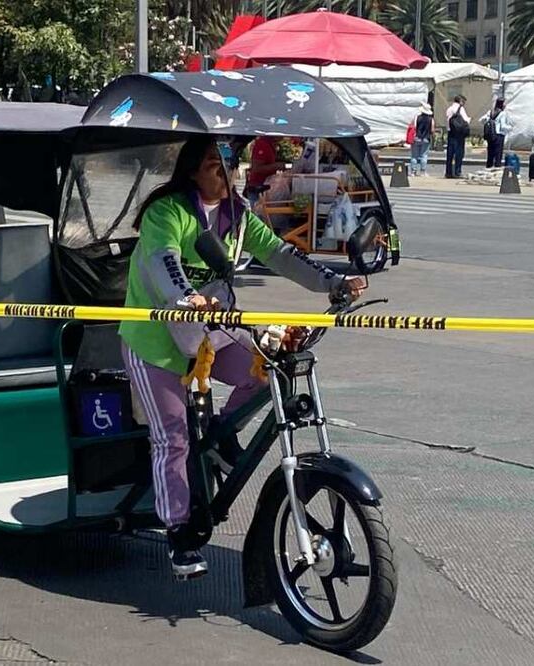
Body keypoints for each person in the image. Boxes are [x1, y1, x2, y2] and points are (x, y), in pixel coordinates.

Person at [118, 137, 366, 579]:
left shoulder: (237, 214)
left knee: (268, 372)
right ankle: (179, 531)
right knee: (172, 437)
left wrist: (334, 282)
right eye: (214, 164)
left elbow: (280, 254)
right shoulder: (168, 212)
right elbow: (163, 261)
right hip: (155, 339)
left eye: (228, 164)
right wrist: (186, 295)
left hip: (213, 331)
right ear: (192, 171)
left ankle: (219, 433)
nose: (226, 173)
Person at [444, 95, 470, 178]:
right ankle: (457, 171)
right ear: (460, 101)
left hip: (450, 132)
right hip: (459, 134)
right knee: (459, 153)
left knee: (450, 154)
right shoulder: (460, 109)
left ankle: (448, 172)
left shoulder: (449, 109)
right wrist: (469, 120)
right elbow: (465, 120)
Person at [480, 99, 511, 169]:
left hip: (490, 134)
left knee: (490, 153)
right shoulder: (502, 113)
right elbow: (503, 126)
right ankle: (497, 167)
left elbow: (481, 120)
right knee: (498, 154)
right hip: (499, 135)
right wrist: (510, 128)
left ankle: (488, 167)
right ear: (502, 105)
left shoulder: (490, 112)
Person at [409, 103, 434, 176]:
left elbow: (412, 126)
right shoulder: (431, 119)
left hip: (416, 138)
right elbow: (432, 130)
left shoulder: (416, 117)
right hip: (426, 139)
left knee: (414, 156)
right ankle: (423, 172)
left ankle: (413, 171)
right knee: (424, 155)